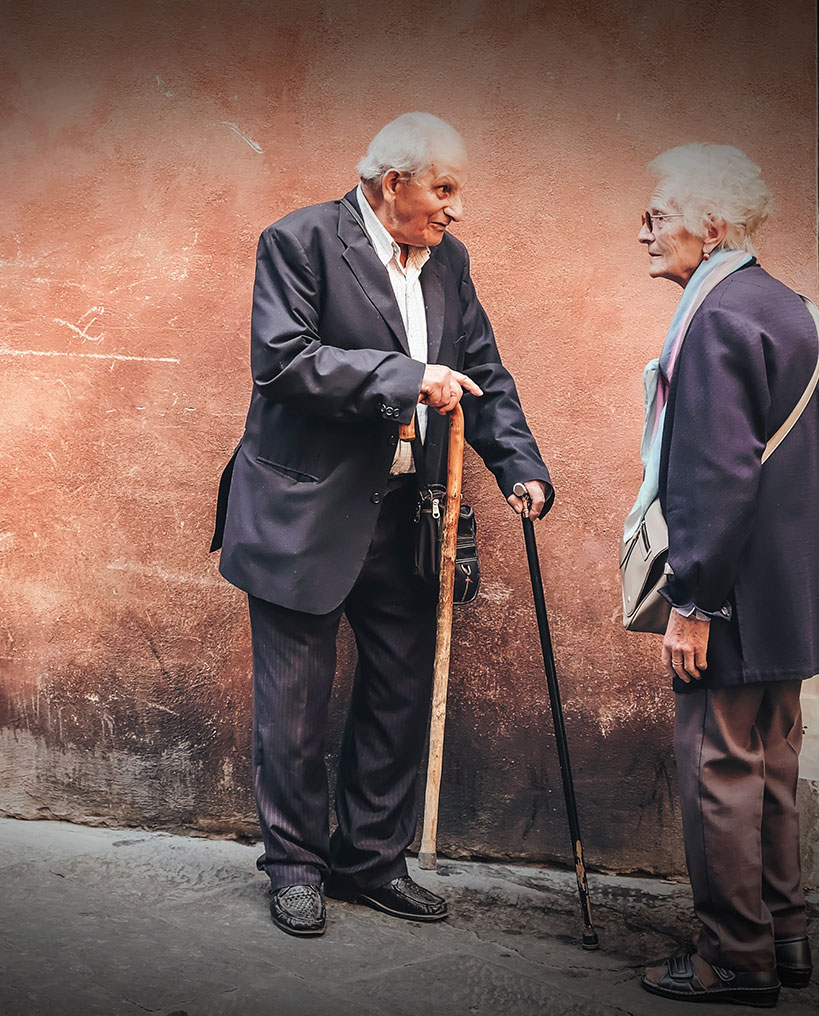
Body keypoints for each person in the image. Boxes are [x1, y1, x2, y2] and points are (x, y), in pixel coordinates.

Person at [210, 113, 554, 937]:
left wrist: (521, 466)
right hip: (304, 512)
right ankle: (295, 866)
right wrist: (407, 377)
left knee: (400, 694)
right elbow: (285, 361)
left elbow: (482, 372)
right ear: (391, 182)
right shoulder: (298, 241)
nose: (455, 209)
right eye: (444, 189)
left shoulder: (450, 262)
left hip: (407, 515)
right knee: (292, 707)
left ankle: (369, 859)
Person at [625, 143, 819, 1006]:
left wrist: (694, 602)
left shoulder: (715, 315)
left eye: (659, 216)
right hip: (788, 593)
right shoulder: (790, 306)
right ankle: (785, 936)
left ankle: (734, 957)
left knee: (721, 768)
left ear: (711, 226)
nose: (644, 231)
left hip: (733, 594)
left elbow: (717, 474)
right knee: (773, 765)